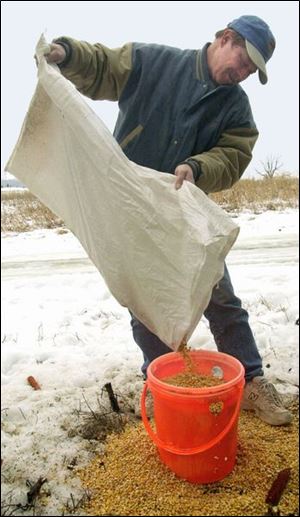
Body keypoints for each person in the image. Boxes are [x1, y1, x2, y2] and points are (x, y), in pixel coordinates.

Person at [44, 15, 292, 426]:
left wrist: (198, 167)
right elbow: (104, 65)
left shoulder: (235, 106)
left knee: (220, 295)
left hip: (184, 213)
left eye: (252, 70)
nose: (244, 73)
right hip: (131, 207)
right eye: (244, 61)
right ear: (225, 38)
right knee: (145, 302)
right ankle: (162, 385)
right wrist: (66, 53)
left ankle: (251, 381)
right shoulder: (155, 62)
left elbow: (234, 155)